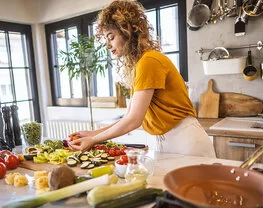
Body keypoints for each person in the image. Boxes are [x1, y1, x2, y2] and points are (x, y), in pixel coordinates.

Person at [69, 0, 216, 158]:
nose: (107, 45)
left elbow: (134, 120)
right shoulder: (142, 63)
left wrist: (93, 140)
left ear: (127, 31)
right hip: (168, 141)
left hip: (186, 142)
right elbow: (128, 117)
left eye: (110, 37)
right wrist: (92, 134)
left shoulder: (148, 61)